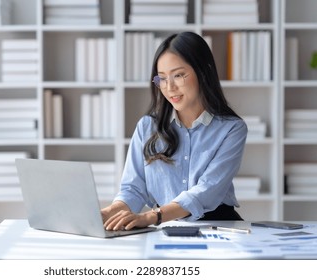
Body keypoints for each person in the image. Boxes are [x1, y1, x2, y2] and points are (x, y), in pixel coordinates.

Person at [101, 31, 247, 231]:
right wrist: (106, 213)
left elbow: (206, 191)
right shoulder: (147, 127)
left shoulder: (232, 129)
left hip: (218, 226)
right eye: (161, 78)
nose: (169, 87)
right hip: (165, 226)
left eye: (178, 75)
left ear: (203, 72)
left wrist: (153, 216)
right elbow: (132, 189)